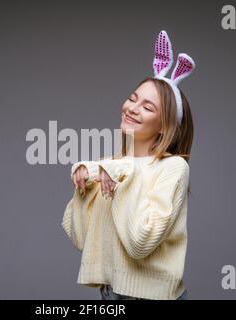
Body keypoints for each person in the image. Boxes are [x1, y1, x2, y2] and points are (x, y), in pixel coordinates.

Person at [62, 30, 196, 300]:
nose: (132, 108)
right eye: (133, 99)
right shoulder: (109, 166)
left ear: (164, 127)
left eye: (148, 107)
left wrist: (123, 176)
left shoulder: (173, 168)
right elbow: (83, 241)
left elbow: (140, 244)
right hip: (111, 294)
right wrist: (82, 188)